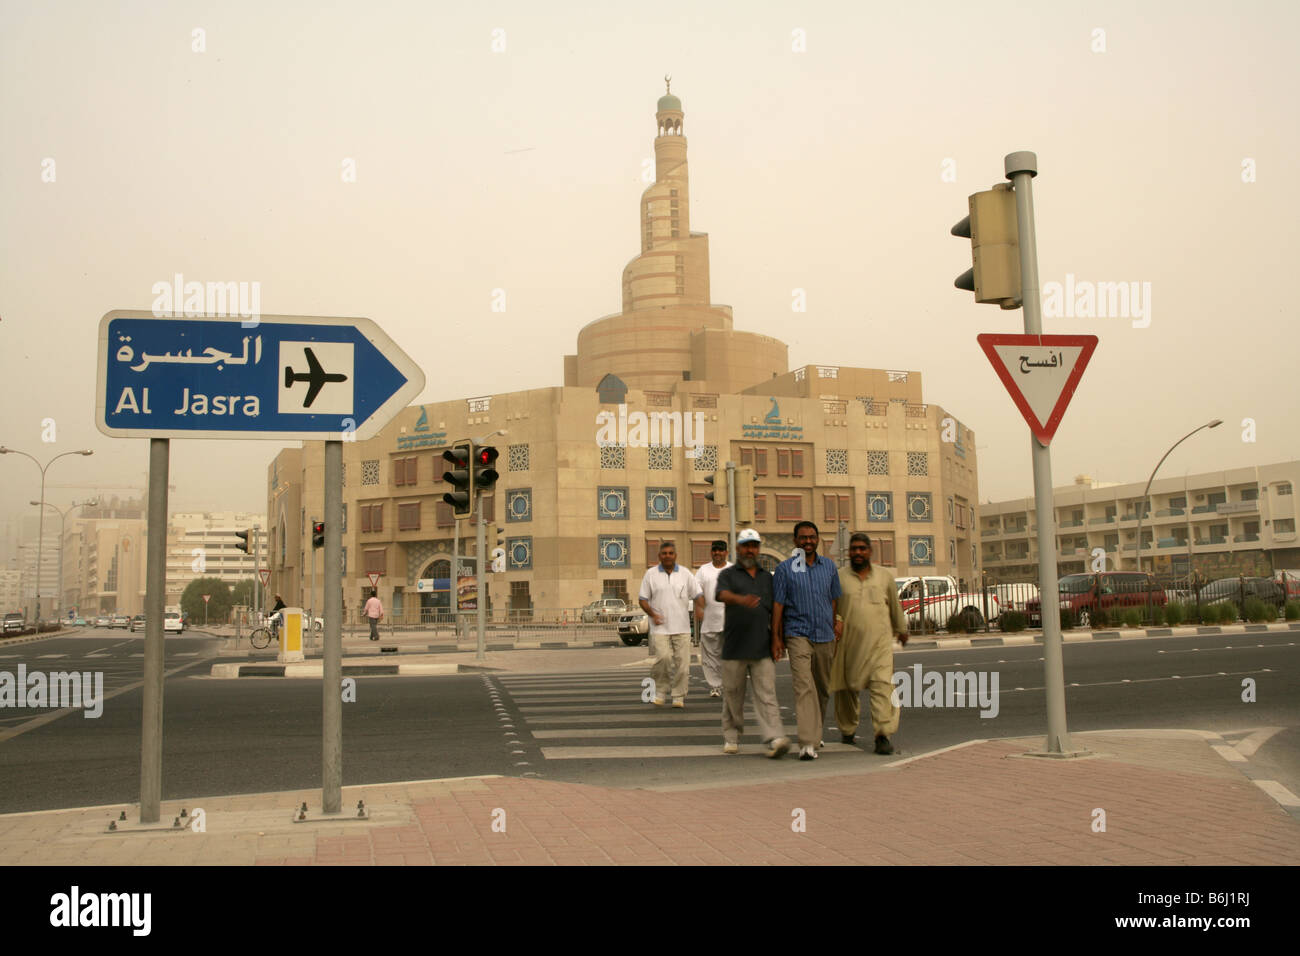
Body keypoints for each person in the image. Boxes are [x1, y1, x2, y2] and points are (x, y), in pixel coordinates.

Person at [716, 529, 790, 757]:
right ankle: (731, 735)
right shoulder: (728, 575)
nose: (751, 550)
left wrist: (778, 639)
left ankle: (774, 736)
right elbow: (721, 595)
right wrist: (741, 599)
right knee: (733, 695)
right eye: (746, 545)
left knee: (767, 694)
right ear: (738, 549)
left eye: (754, 545)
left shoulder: (767, 578)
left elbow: (776, 609)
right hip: (734, 646)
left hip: (762, 646)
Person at [832, 533, 909, 754]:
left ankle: (882, 735)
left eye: (862, 549)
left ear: (869, 551)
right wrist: (835, 623)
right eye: (854, 549)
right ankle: (847, 731)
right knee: (846, 690)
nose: (857, 553)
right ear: (848, 552)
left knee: (883, 687)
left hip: (880, 647)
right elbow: (833, 607)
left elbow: (895, 606)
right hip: (849, 646)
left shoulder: (884, 577)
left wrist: (901, 630)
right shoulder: (839, 577)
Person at [772, 520, 841, 760]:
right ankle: (807, 743)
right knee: (803, 687)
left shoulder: (830, 567)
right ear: (795, 541)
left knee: (821, 689)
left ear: (818, 539)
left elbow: (833, 600)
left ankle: (816, 731)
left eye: (812, 537)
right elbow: (778, 605)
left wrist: (833, 627)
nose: (808, 542)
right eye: (803, 538)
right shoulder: (784, 570)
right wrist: (776, 638)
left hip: (824, 635)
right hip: (797, 634)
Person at [638, 541, 704, 707]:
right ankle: (660, 691)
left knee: (683, 664)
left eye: (670, 553)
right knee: (664, 659)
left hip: (681, 628)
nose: (667, 556)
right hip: (659, 628)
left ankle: (678, 696)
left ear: (675, 555)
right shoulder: (650, 574)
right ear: (659, 556)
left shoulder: (685, 574)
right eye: (664, 553)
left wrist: (700, 608)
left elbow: (698, 594)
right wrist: (653, 615)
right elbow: (643, 600)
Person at [693, 539, 731, 698]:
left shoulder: (733, 569)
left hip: (730, 621)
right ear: (711, 552)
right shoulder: (703, 570)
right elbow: (697, 593)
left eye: (721, 550)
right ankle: (715, 686)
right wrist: (699, 609)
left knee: (729, 656)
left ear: (726, 553)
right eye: (715, 550)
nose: (717, 553)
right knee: (710, 657)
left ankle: (729, 685)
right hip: (709, 621)